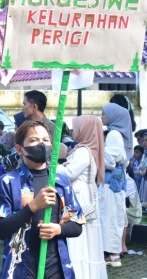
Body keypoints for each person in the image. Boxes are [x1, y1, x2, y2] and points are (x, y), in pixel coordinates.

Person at [0, 120, 84, 279]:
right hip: (19, 268)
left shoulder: (60, 182)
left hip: (56, 266)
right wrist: (32, 206)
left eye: (45, 140)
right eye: (34, 140)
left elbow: (76, 226)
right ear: (20, 149)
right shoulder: (8, 182)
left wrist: (57, 229)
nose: (41, 144)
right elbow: (1, 230)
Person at [57, 115, 107, 279]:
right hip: (80, 197)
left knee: (78, 240)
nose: (72, 130)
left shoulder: (83, 152)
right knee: (84, 240)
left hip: (78, 200)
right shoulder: (86, 149)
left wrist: (52, 166)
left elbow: (70, 173)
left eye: (76, 126)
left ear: (84, 129)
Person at [99, 103, 132, 267]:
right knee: (115, 216)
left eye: (104, 114)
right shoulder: (119, 134)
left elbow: (109, 161)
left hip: (111, 182)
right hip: (117, 181)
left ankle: (113, 255)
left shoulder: (113, 134)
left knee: (109, 216)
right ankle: (114, 253)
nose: (102, 117)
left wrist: (97, 156)